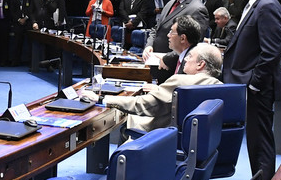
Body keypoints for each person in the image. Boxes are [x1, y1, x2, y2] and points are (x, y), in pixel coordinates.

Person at [222, 0, 281, 180]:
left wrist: (254, 84)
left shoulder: (267, 5)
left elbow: (271, 53)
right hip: (251, 84)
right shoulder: (257, 4)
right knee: (256, 141)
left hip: (258, 87)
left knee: (261, 142)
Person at [83, 43, 222, 134]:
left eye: (190, 56)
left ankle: (126, 166)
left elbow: (143, 105)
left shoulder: (181, 81)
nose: (185, 59)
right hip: (201, 145)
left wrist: (102, 99)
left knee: (129, 119)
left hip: (163, 139)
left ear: (200, 64)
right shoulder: (221, 88)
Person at [143, 0, 209, 56]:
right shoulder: (170, 3)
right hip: (155, 58)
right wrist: (149, 46)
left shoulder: (197, 9)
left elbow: (191, 46)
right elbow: (157, 28)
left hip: (173, 63)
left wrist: (166, 59)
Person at [155, 15, 203, 84]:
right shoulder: (185, 55)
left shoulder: (190, 63)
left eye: (171, 32)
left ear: (183, 38)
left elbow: (183, 87)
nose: (168, 35)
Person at [8, 0, 32, 65]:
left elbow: (32, 8)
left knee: (30, 43)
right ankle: (16, 61)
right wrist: (19, 19)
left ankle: (31, 62)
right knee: (17, 43)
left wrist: (25, 18)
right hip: (18, 23)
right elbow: (12, 11)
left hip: (28, 22)